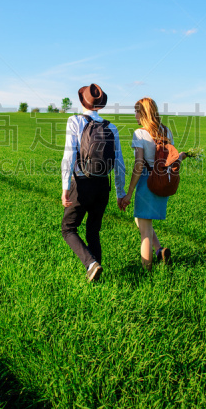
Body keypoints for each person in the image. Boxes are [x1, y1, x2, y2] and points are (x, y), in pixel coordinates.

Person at [61, 84, 126, 282]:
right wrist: (120, 192)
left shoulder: (74, 121)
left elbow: (69, 155)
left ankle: (91, 264)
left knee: (68, 228)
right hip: (102, 187)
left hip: (81, 184)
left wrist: (65, 187)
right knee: (93, 231)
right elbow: (119, 162)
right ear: (100, 105)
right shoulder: (111, 127)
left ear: (82, 101)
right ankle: (96, 271)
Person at [119, 97, 187, 270]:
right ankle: (159, 251)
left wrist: (130, 191)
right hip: (162, 181)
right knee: (142, 221)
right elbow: (171, 159)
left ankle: (146, 271)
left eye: (136, 111)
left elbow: (139, 164)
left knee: (145, 233)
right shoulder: (167, 132)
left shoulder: (140, 133)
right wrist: (182, 156)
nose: (134, 115)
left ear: (142, 113)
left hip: (146, 182)